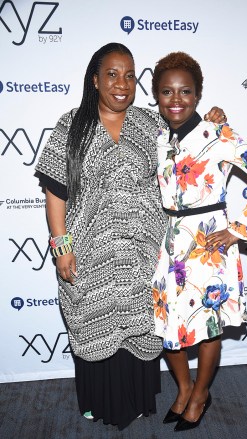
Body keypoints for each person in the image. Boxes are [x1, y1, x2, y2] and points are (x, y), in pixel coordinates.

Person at [35, 43, 226, 430]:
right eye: (112, 74)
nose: (122, 84)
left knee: (139, 326)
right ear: (95, 80)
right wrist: (61, 247)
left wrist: (213, 120)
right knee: (96, 323)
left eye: (129, 75)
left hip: (146, 253)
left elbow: (190, 145)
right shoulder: (70, 126)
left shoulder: (149, 124)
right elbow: (55, 193)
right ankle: (99, 401)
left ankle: (139, 399)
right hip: (89, 254)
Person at [151, 52, 247, 431]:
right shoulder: (159, 140)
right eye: (167, 92)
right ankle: (184, 387)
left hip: (209, 246)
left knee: (207, 325)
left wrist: (240, 228)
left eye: (185, 91)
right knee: (168, 328)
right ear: (156, 96)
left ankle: (201, 394)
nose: (176, 99)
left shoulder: (218, 135)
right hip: (171, 244)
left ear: (198, 94)